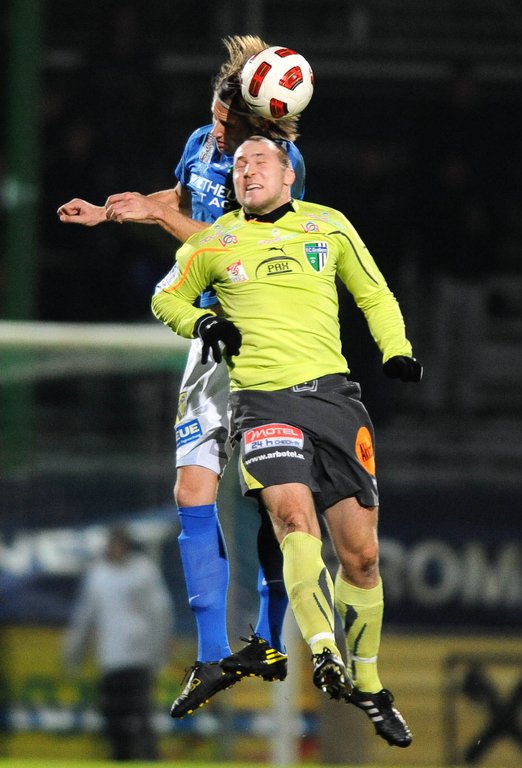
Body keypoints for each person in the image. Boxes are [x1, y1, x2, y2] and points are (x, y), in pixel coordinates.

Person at [57, 36, 306, 716]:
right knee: (191, 488)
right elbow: (181, 191)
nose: (219, 131)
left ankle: (268, 640)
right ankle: (212, 655)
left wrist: (161, 215)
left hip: (262, 339)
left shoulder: (276, 167)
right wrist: (121, 207)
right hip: (208, 335)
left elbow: (237, 246)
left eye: (231, 123)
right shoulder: (202, 141)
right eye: (215, 117)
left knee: (269, 499)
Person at [151, 136, 423, 747]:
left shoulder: (330, 226)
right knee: (294, 520)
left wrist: (397, 349)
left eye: (258, 161)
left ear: (288, 174)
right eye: (238, 164)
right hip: (263, 404)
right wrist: (202, 320)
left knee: (362, 557)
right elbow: (164, 297)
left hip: (335, 401)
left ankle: (370, 685)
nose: (245, 171)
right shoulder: (214, 241)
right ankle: (324, 651)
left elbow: (374, 293)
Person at [63, 526, 174, 761]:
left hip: (139, 657)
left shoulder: (143, 571)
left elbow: (160, 612)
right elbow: (85, 616)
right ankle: (120, 759)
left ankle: (149, 758)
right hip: (111, 658)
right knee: (113, 714)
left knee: (141, 714)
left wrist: (158, 652)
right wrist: (74, 652)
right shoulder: (98, 576)